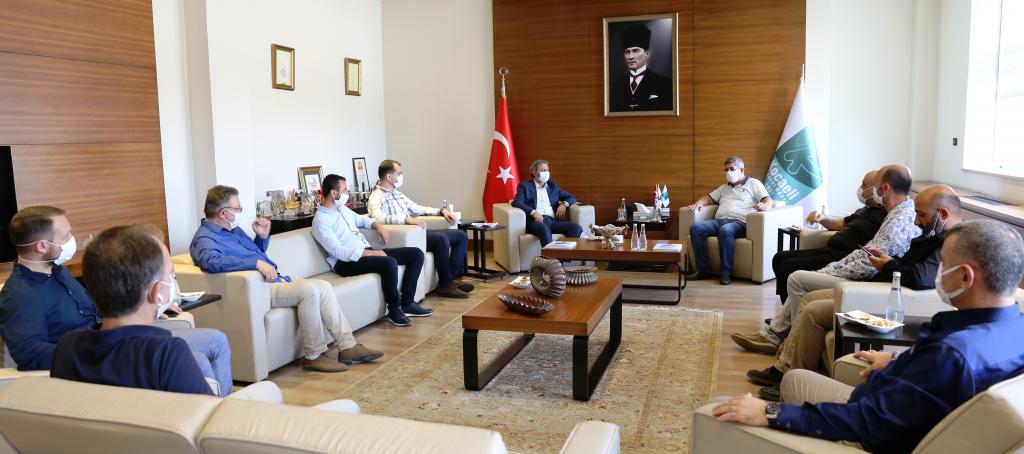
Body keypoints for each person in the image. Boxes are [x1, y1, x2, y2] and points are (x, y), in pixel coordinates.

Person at [712, 219, 1024, 453]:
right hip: (888, 408)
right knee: (794, 379)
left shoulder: (950, 356)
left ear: (966, 276)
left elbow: (868, 421)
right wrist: (900, 359)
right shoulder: (1013, 330)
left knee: (727, 413)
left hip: (868, 433)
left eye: (944, 263)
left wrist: (770, 412)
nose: (938, 272)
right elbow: (937, 384)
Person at [748, 185, 963, 401]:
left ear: (943, 214)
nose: (916, 221)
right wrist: (889, 261)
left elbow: (920, 277)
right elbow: (910, 267)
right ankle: (786, 366)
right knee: (809, 298)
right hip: (876, 288)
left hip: (882, 299)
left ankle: (789, 376)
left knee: (813, 310)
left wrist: (888, 265)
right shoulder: (934, 234)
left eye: (921, 215)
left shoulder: (950, 242)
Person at [0, 206, 232, 395]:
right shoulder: (19, 295)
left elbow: (97, 307)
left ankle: (223, 412)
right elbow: (29, 355)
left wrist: (145, 305)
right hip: (96, 356)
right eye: (66, 236)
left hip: (114, 339)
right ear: (42, 246)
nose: (72, 239)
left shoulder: (58, 271)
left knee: (215, 340)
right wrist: (100, 354)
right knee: (197, 361)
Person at [190, 185, 382, 373]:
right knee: (309, 290)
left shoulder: (234, 231)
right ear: (224, 213)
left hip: (274, 281)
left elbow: (254, 253)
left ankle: (348, 346)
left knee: (323, 287)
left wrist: (262, 238)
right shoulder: (205, 239)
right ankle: (314, 356)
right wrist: (255, 263)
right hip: (257, 289)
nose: (241, 212)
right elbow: (212, 262)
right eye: (238, 208)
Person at [732, 165, 920, 353]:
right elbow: (864, 253)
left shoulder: (899, 220)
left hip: (862, 281)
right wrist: (831, 268)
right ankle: (774, 336)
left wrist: (830, 270)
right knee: (792, 270)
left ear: (884, 188)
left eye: (874, 185)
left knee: (797, 278)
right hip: (843, 263)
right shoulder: (893, 214)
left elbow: (868, 264)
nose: (866, 190)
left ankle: (790, 343)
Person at [50, 225, 218, 395]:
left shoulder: (67, 347)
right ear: (156, 291)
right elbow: (213, 411)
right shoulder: (167, 354)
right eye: (170, 274)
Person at [313, 174, 431, 327]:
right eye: (345, 190)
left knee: (416, 254)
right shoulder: (321, 221)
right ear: (334, 193)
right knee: (389, 262)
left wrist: (378, 226)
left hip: (365, 252)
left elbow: (362, 220)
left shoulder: (341, 209)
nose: (348, 193)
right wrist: (371, 253)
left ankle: (407, 303)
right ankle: (394, 310)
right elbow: (339, 251)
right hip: (346, 262)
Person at [367, 159, 475, 299]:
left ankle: (452, 280)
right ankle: (446, 285)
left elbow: (416, 208)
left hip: (417, 233)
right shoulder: (376, 197)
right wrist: (406, 219)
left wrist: (441, 211)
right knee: (441, 239)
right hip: (403, 237)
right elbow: (378, 218)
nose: (401, 176)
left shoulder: (397, 193)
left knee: (460, 235)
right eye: (399, 173)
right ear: (389, 176)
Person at [771, 170, 885, 302]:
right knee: (779, 258)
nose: (860, 188)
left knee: (787, 266)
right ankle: (789, 306)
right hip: (830, 250)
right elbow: (841, 223)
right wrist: (822, 218)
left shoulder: (884, 215)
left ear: (876, 189)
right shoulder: (865, 210)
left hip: (843, 257)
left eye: (864, 185)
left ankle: (794, 311)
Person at [685, 156, 772, 285]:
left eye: (732, 169)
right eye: (726, 170)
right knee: (696, 227)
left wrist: (764, 205)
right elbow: (708, 198)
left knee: (725, 230)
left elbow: (767, 199)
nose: (728, 172)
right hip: (719, 221)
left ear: (741, 170)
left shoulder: (753, 183)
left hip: (740, 223)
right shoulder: (724, 188)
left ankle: (725, 273)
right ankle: (703, 270)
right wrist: (699, 202)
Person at [511, 160, 583, 246]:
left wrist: (564, 204)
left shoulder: (552, 186)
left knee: (576, 228)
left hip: (552, 221)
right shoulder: (525, 186)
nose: (547, 173)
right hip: (535, 222)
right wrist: (533, 212)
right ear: (534, 172)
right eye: (543, 170)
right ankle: (551, 254)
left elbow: (571, 197)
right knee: (544, 228)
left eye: (547, 170)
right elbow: (517, 202)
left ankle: (565, 255)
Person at [608, 24, 672, 112]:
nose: (630, 56)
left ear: (647, 54)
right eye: (627, 52)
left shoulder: (665, 84)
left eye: (635, 51)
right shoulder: (615, 86)